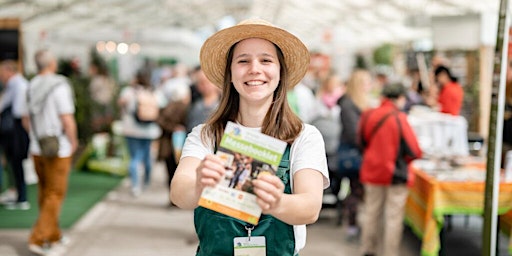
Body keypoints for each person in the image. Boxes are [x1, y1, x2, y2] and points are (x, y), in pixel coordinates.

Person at [169, 18, 329, 256]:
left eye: (266, 60)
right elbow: (179, 194)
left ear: (280, 72)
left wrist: (277, 202)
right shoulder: (206, 135)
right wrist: (200, 184)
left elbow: (310, 207)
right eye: (243, 61)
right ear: (230, 74)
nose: (255, 69)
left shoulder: (303, 137)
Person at [20, 49, 78, 255]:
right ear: (52, 63)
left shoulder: (30, 85)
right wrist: (73, 140)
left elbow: (25, 119)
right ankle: (39, 237)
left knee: (45, 192)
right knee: (55, 193)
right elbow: (67, 118)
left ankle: (53, 234)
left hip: (37, 147)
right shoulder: (59, 86)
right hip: (58, 148)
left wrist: (36, 137)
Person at [357, 83, 422, 256]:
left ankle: (368, 249)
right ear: (399, 98)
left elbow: (361, 141)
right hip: (395, 173)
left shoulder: (368, 114)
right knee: (393, 217)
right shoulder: (399, 118)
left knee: (371, 212)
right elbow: (414, 150)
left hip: (371, 169)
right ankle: (390, 252)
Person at [118, 69, 166, 197]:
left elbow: (121, 104)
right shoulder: (154, 92)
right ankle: (146, 181)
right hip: (149, 130)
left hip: (131, 129)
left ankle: (135, 185)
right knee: (146, 155)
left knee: (134, 158)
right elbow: (162, 106)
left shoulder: (128, 91)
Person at [336, 68, 373, 240]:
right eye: (366, 82)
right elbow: (353, 133)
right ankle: (352, 225)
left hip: (357, 153)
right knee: (356, 190)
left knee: (356, 190)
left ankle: (354, 224)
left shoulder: (356, 103)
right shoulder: (349, 104)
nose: (369, 86)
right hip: (353, 155)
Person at [0, 60, 30, 210]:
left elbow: (18, 111)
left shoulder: (16, 84)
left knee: (17, 163)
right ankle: (18, 194)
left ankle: (21, 197)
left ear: (8, 71)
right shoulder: (19, 83)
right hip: (16, 129)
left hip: (15, 130)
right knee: (15, 163)